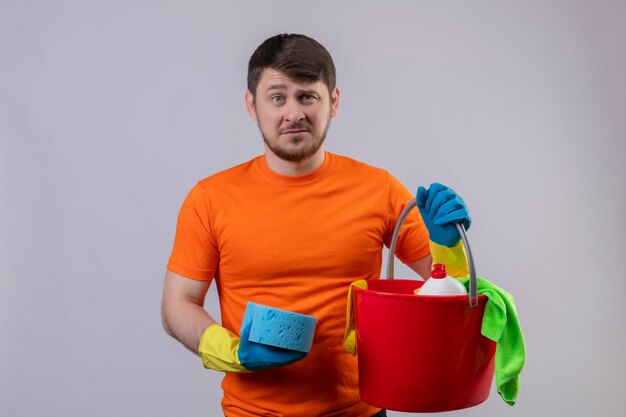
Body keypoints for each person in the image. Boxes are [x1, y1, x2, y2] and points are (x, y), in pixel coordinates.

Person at [161, 33, 471, 417]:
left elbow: (454, 298)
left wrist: (447, 245)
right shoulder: (209, 198)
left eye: (307, 96)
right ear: (252, 105)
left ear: (333, 102)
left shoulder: (379, 189)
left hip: (362, 411)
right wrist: (230, 351)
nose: (294, 113)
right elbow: (177, 305)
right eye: (277, 97)